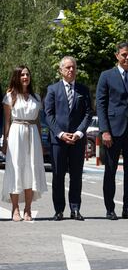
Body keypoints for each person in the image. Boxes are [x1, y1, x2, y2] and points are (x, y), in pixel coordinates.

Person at [96, 42, 128, 220]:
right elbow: (101, 106)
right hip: (112, 131)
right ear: (117, 56)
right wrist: (104, 131)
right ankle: (110, 208)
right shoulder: (106, 76)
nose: (127, 58)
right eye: (124, 55)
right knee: (110, 171)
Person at [44, 56, 92, 221]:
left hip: (77, 141)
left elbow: (88, 113)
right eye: (68, 68)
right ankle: (59, 210)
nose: (71, 70)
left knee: (76, 176)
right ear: (61, 71)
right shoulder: (52, 89)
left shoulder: (83, 90)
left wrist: (79, 133)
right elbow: (48, 115)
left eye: (73, 67)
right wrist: (61, 134)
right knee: (58, 175)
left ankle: (75, 209)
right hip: (58, 141)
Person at [1, 65, 47, 221]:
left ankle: (28, 209)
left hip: (32, 133)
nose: (25, 77)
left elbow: (38, 122)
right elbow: (7, 122)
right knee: (16, 170)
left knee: (31, 171)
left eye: (27, 74)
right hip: (16, 133)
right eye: (22, 75)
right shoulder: (10, 96)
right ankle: (15, 209)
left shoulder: (37, 97)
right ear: (17, 77)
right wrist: (5, 142)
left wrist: (40, 142)